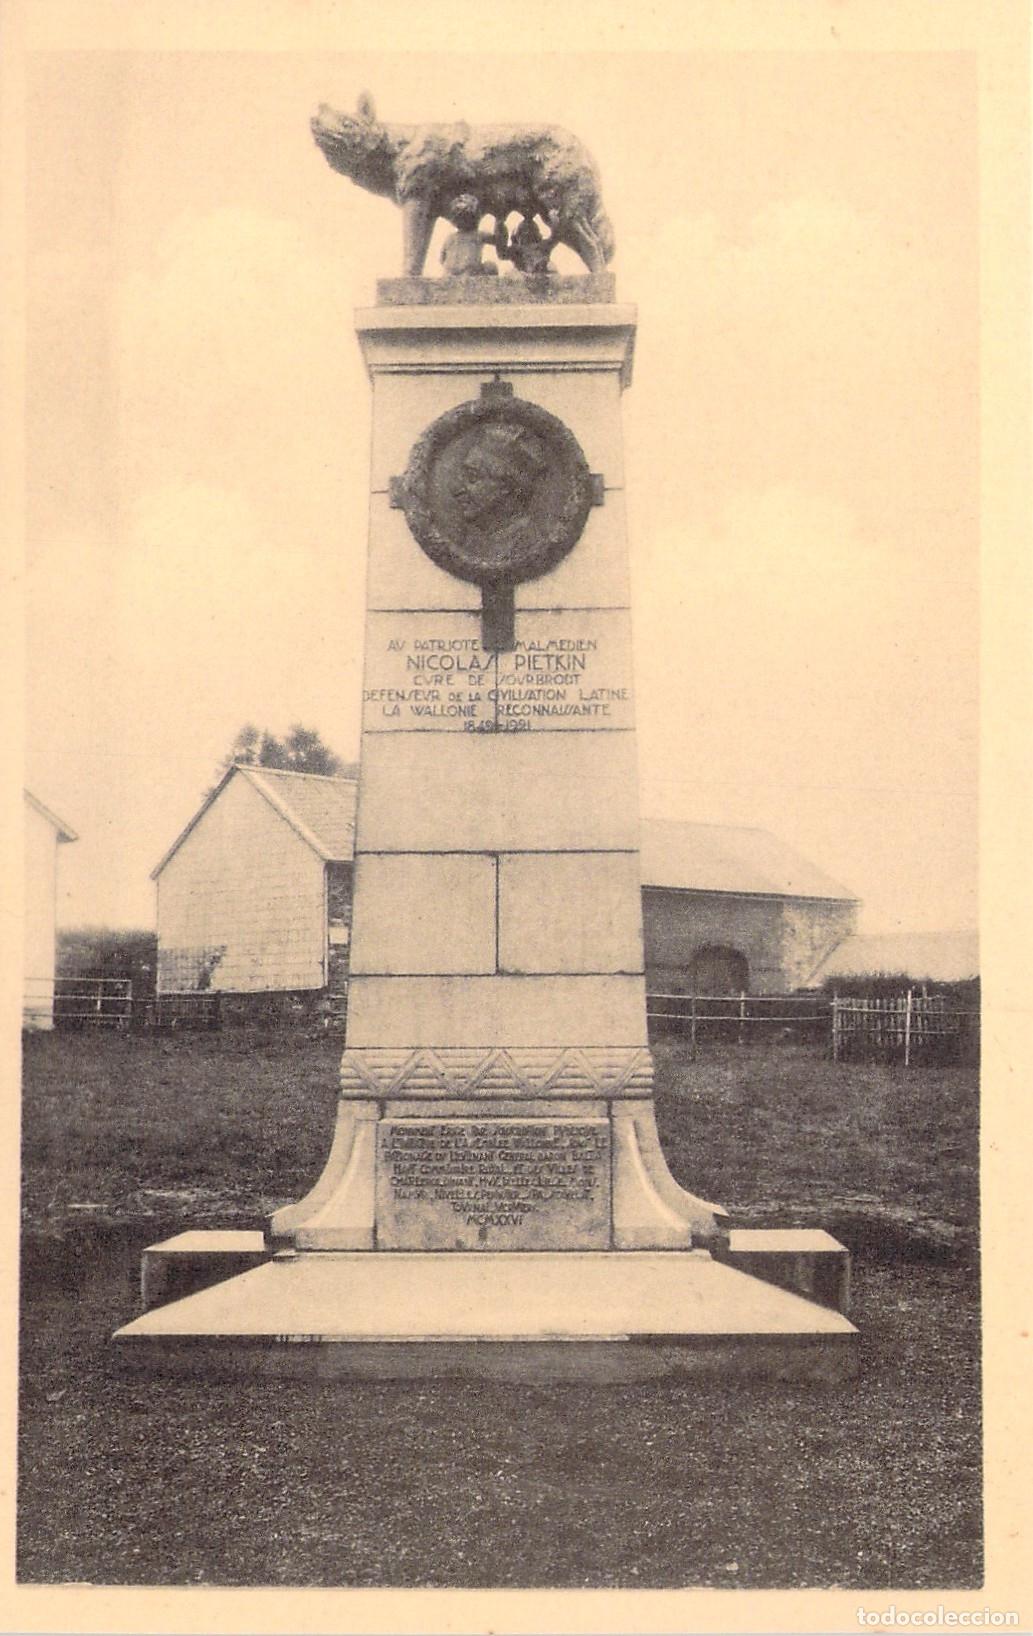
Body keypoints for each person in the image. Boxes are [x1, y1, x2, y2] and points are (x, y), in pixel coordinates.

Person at [439, 195, 505, 276]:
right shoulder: (478, 235)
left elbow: (441, 259)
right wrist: (499, 220)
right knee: (490, 266)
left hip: (449, 274)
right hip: (468, 273)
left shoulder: (450, 238)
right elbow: (499, 240)